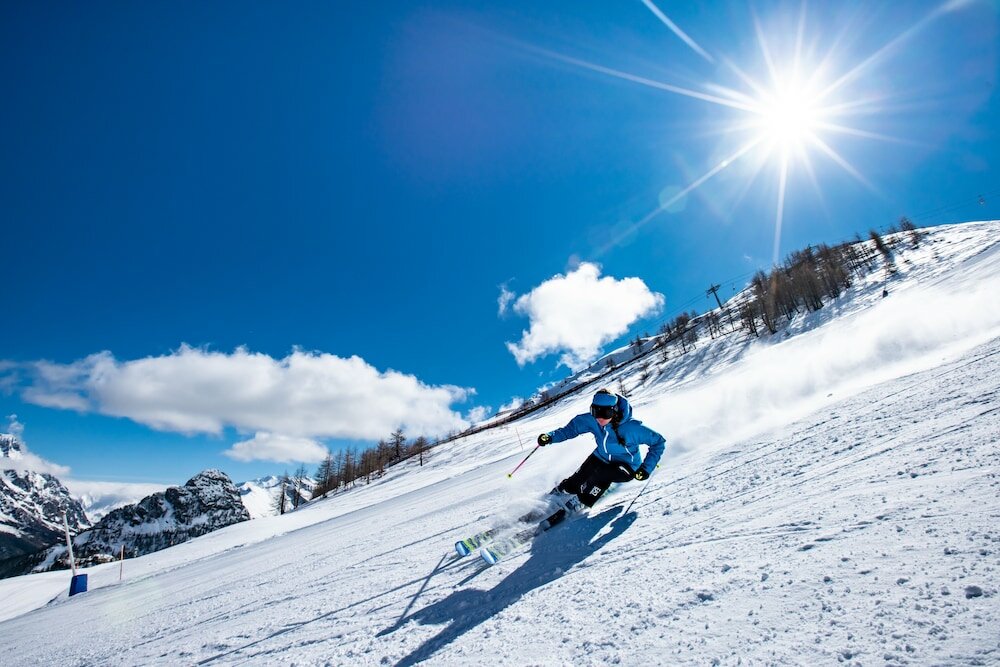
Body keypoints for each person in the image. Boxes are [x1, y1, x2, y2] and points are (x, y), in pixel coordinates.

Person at [537, 388, 666, 509]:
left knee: (601, 475)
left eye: (605, 413)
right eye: (595, 412)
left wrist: (646, 468)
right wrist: (550, 437)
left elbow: (658, 442)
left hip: (627, 466)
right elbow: (570, 430)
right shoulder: (592, 420)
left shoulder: (631, 428)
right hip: (601, 456)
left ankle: (582, 501)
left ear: (614, 411)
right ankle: (562, 491)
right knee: (579, 477)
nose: (600, 418)